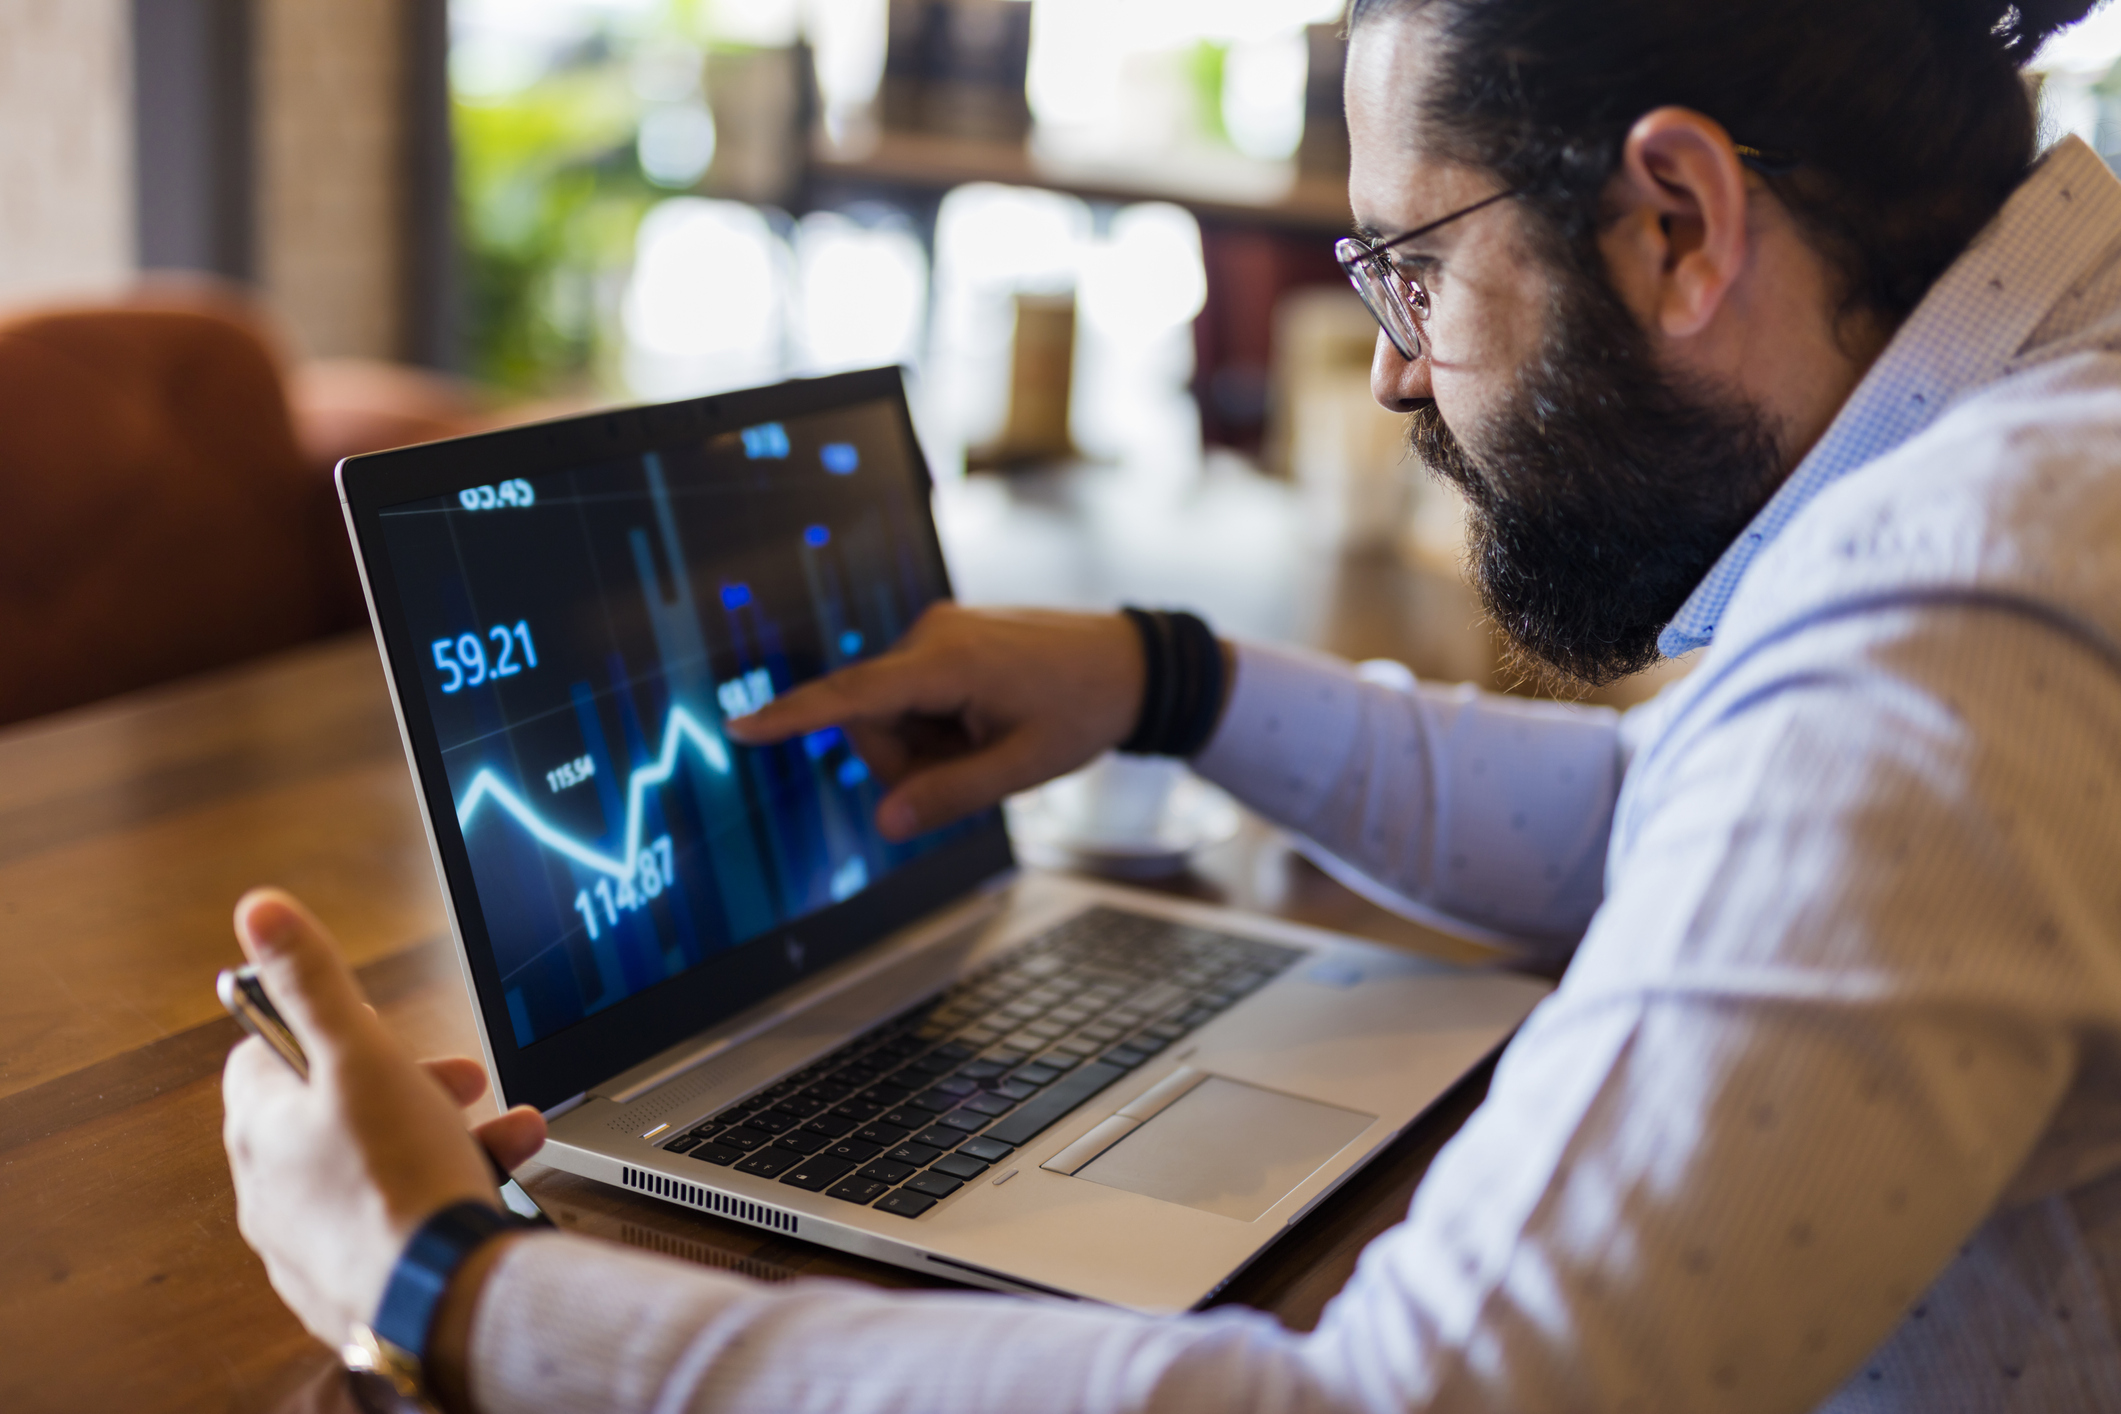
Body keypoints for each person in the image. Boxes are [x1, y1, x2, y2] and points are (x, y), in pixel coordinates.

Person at [222, 0, 2121, 1409]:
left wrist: (454, 1287)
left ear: (1679, 224)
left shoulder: (1944, 627)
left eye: (1413, 270)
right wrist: (1163, 681)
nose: (1392, 377)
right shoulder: (2038, 464)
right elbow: (1666, 819)